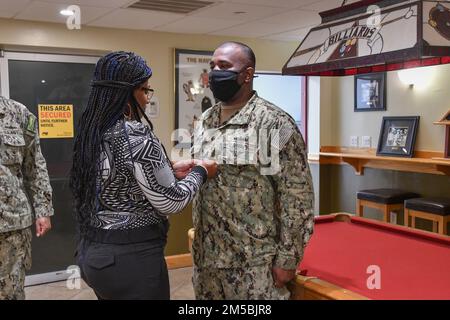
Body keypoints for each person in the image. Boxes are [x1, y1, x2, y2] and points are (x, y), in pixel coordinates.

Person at [70, 51, 216, 300]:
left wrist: (168, 170)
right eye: (145, 90)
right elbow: (172, 201)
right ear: (128, 92)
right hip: (131, 259)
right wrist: (202, 171)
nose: (147, 100)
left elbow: (118, 177)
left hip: (94, 253)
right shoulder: (135, 135)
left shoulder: (92, 131)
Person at [190, 42, 315, 300]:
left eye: (224, 66)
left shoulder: (274, 123)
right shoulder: (205, 120)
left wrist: (287, 259)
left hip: (253, 264)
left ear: (247, 75)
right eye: (212, 66)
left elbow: (297, 197)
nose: (215, 72)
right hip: (207, 261)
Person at [0, 96, 54, 300]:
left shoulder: (19, 113)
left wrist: (43, 210)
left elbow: (36, 167)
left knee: (11, 293)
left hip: (11, 227)